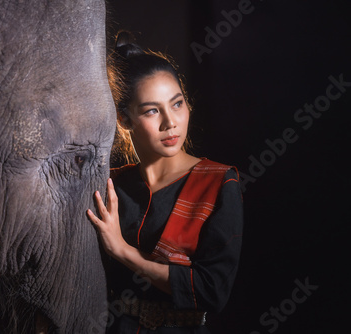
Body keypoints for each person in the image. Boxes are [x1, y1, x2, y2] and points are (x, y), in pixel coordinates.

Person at [87, 31, 243, 334]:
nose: (170, 122)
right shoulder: (110, 186)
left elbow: (212, 292)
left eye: (177, 104)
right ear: (124, 119)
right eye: (152, 110)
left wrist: (123, 251)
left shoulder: (219, 183)